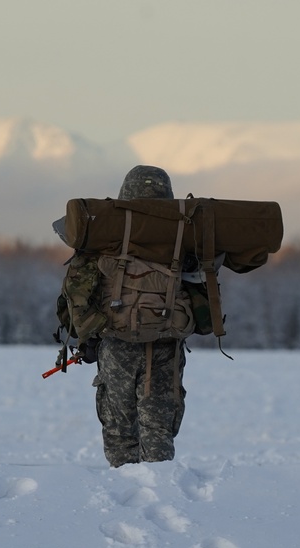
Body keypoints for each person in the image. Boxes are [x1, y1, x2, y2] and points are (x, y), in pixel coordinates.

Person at [91, 165, 187, 468]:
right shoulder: (185, 234)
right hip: (165, 342)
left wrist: (85, 335)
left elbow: (81, 290)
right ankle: (161, 493)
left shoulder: (105, 233)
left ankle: (123, 495)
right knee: (158, 427)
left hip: (117, 342)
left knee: (119, 426)